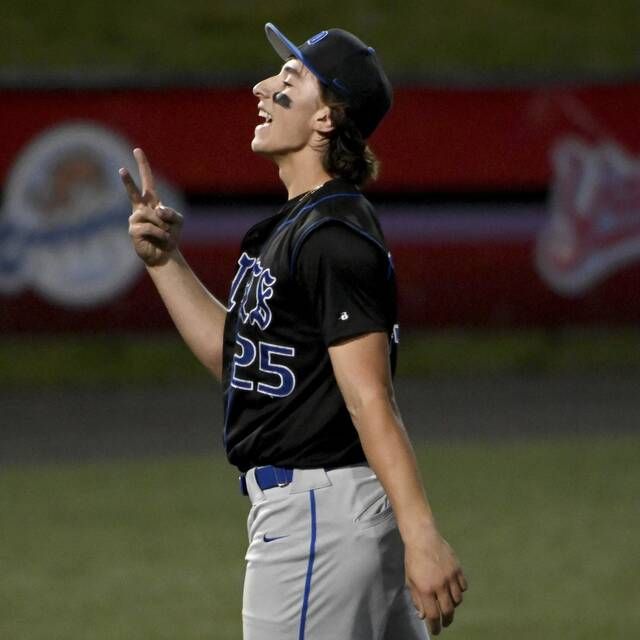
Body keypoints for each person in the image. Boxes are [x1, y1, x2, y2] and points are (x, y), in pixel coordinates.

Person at [120, 22, 467, 640]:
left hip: (317, 520)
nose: (261, 87)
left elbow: (369, 397)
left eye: (289, 78)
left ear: (327, 119)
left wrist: (423, 536)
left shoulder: (333, 238)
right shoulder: (298, 228)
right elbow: (238, 363)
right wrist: (166, 261)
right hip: (328, 512)